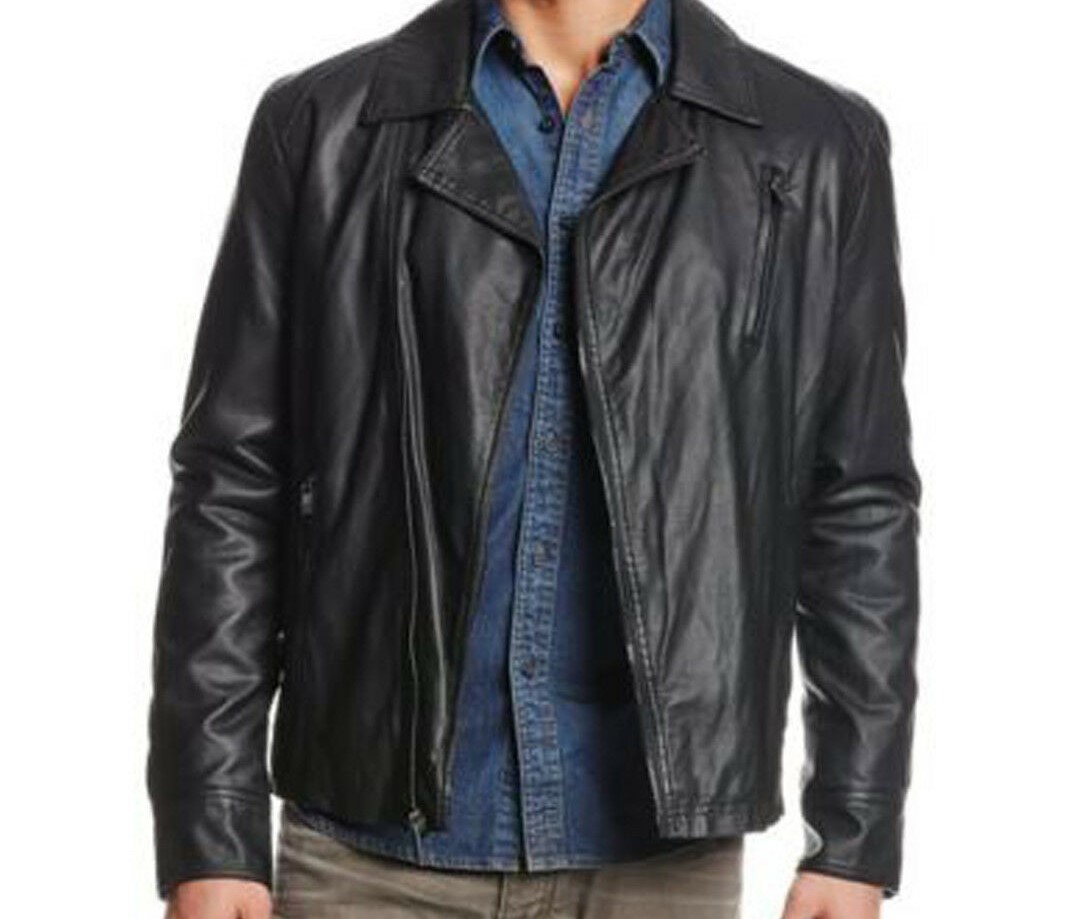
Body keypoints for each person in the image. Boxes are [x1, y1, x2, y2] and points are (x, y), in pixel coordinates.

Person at [145, 0, 922, 916]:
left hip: (657, 856)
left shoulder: (815, 143)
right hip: (370, 847)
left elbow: (856, 504)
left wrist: (853, 835)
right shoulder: (325, 123)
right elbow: (233, 484)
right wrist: (211, 826)